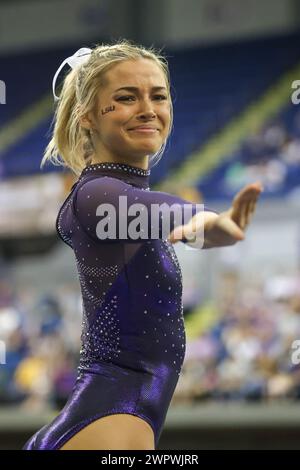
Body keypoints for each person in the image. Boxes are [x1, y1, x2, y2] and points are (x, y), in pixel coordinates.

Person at [23, 39, 263, 450]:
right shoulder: (94, 196)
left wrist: (213, 227)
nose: (148, 109)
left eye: (158, 96)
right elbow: (157, 211)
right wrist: (211, 219)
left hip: (120, 413)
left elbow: (166, 219)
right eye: (126, 97)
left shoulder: (123, 208)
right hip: (115, 414)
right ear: (87, 117)